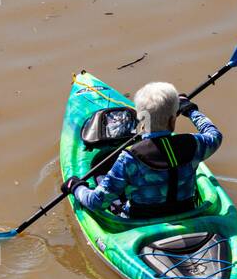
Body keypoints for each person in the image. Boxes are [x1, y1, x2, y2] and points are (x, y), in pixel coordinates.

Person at [62, 82, 222, 220]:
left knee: (100, 178)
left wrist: (75, 187)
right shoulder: (194, 143)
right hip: (187, 212)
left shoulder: (129, 158)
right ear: (173, 120)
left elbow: (96, 202)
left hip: (139, 221)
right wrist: (190, 110)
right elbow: (214, 134)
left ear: (141, 120)